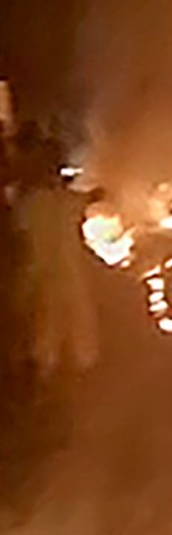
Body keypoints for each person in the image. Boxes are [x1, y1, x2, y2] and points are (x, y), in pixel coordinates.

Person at [14, 134, 98, 382]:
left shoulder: (30, 202)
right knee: (66, 317)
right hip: (57, 270)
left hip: (42, 270)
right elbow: (87, 199)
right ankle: (70, 370)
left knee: (50, 319)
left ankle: (48, 370)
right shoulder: (51, 201)